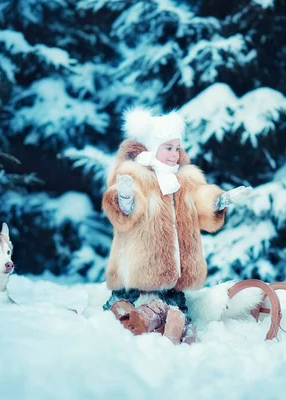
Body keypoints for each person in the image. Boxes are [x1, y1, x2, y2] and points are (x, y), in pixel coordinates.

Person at [102, 107, 251, 341]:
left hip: (174, 273)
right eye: (168, 148)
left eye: (177, 148)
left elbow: (201, 199)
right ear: (152, 147)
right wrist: (125, 198)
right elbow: (124, 211)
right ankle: (126, 315)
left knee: (175, 306)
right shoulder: (135, 174)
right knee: (127, 300)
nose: (174, 153)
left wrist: (220, 200)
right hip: (137, 268)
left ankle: (177, 326)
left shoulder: (185, 178)